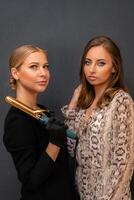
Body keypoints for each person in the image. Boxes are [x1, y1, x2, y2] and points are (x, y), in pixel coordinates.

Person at [62, 36, 134, 200]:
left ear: (114, 68)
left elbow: (124, 164)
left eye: (101, 63)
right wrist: (73, 104)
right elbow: (69, 148)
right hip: (84, 194)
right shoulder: (83, 102)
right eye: (87, 62)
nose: (91, 69)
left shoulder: (121, 101)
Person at [3, 44, 76, 200]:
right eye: (34, 67)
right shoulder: (17, 121)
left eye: (45, 66)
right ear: (15, 73)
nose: (43, 73)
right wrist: (55, 143)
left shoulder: (41, 110)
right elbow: (31, 181)